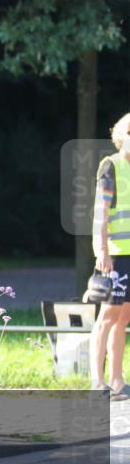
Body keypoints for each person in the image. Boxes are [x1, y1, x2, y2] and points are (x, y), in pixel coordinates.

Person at [90, 112, 130, 401]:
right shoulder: (111, 166)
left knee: (124, 317)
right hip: (115, 255)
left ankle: (118, 380)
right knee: (108, 315)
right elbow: (100, 213)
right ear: (122, 135)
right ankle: (97, 381)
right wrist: (101, 250)